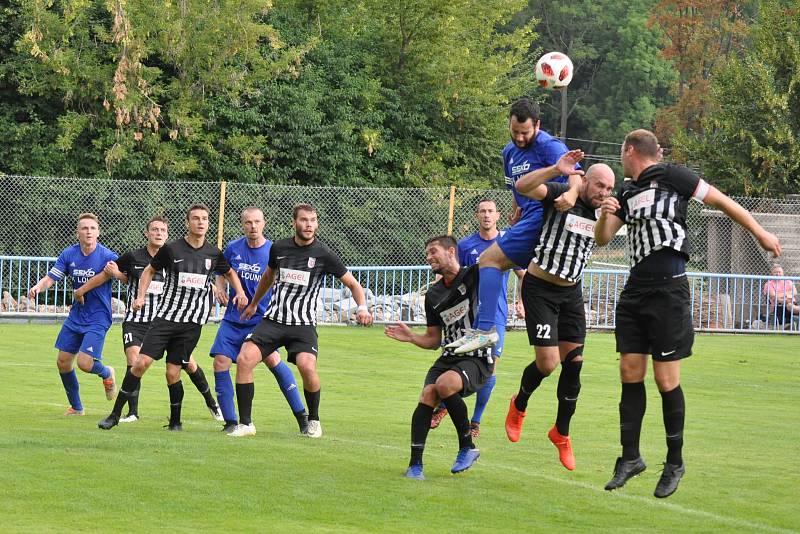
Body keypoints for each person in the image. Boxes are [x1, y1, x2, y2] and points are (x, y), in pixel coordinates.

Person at [594, 129, 781, 498]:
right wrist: (605, 215)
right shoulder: (627, 192)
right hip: (635, 291)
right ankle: (630, 457)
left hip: (669, 290)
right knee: (629, 372)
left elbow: (723, 201)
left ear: (630, 149)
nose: (621, 159)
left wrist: (760, 231)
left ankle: (674, 461)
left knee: (666, 380)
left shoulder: (673, 176)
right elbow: (603, 238)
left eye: (621, 153)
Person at [449, 97, 584, 354]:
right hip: (528, 218)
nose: (520, 138)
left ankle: (485, 330)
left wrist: (573, 194)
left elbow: (574, 173)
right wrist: (515, 211)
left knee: (489, 260)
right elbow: (515, 186)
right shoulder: (508, 152)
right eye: (514, 132)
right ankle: (486, 329)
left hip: (545, 216)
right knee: (495, 264)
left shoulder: (548, 145)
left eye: (525, 133)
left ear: (538, 125)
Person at [504, 164, 615, 471]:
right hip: (540, 288)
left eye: (609, 188)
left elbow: (604, 239)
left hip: (571, 294)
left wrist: (607, 213)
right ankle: (519, 404)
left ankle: (561, 433)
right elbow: (523, 186)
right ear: (586, 181)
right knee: (548, 363)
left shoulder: (605, 211)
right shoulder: (562, 195)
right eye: (600, 186)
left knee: (575, 363)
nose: (604, 192)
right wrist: (558, 171)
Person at [98, 204, 248, 430]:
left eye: (204, 219)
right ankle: (115, 415)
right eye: (195, 218)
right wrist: (140, 296)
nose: (200, 222)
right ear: (187, 223)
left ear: (208, 223)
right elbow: (149, 270)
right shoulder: (171, 249)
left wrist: (240, 292)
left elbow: (229, 272)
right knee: (140, 363)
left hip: (192, 325)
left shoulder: (213, 253)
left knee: (172, 372)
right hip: (166, 318)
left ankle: (175, 422)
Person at [230, 204, 373, 438]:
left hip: (302, 324)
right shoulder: (280, 248)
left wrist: (363, 307)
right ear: (294, 222)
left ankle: (314, 420)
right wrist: (254, 304)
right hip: (274, 320)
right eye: (304, 220)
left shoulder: (323, 254)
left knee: (307, 367)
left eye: (313, 220)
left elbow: (353, 284)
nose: (309, 224)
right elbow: (268, 276)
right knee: (245, 359)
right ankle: (246, 424)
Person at [77, 215, 223, 423]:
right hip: (137, 321)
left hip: (167, 321)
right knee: (135, 360)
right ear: (147, 233)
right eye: (154, 230)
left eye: (162, 231)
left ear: (167, 234)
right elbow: (106, 275)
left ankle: (212, 403)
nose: (159, 234)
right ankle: (133, 412)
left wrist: (215, 290)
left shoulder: (175, 256)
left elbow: (198, 278)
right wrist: (81, 290)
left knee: (188, 364)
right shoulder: (133, 257)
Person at [385, 235, 493, 480]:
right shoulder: (432, 295)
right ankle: (415, 466)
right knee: (428, 394)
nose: (429, 257)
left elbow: (503, 260)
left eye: (434, 251)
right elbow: (434, 339)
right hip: (449, 356)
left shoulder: (474, 275)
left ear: (452, 252)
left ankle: (467, 446)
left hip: (476, 355)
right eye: (427, 253)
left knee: (444, 384)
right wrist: (412, 337)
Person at [430, 199, 525, 437]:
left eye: (490, 211)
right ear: (477, 215)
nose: (486, 215)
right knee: (456, 361)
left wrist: (522, 301)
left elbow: (523, 275)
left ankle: (475, 422)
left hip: (496, 315)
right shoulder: (465, 245)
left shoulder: (506, 243)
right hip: (466, 316)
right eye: (482, 211)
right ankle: (443, 405)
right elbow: (452, 273)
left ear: (497, 215)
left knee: (490, 367)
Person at [210, 207, 308, 434]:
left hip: (261, 321)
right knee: (220, 363)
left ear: (264, 223)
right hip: (233, 319)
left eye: (257, 222)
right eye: (248, 223)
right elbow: (222, 271)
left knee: (273, 360)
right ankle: (232, 421)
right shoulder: (233, 248)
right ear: (242, 225)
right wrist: (220, 288)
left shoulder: (274, 251)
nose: (253, 227)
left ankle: (302, 416)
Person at [28, 213, 118, 415]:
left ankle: (107, 373)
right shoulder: (69, 254)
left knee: (85, 363)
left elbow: (122, 275)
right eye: (84, 228)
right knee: (63, 362)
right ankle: (77, 408)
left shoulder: (108, 256)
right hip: (76, 316)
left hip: (98, 317)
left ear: (98, 232)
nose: (88, 232)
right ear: (77, 232)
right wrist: (38, 287)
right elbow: (52, 277)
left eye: (92, 228)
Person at [762, 263, 799, 328]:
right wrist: (787, 295)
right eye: (775, 272)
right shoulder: (768, 284)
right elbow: (773, 296)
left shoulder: (788, 282)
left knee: (790, 304)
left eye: (779, 272)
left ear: (783, 273)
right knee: (788, 304)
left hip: (792, 303)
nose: (778, 274)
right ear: (772, 274)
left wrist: (780, 294)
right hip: (777, 306)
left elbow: (795, 292)